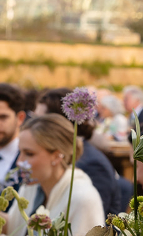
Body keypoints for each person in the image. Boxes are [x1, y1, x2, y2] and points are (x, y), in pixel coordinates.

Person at [6, 113, 105, 236]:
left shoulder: (83, 198)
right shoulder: (32, 186)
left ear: (57, 156)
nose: (19, 162)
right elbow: (13, 230)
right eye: (20, 152)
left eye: (29, 154)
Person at [37, 87, 120, 216]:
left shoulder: (92, 164)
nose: (33, 129)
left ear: (59, 124)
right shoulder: (55, 156)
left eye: (40, 123)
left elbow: (93, 223)